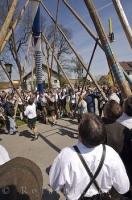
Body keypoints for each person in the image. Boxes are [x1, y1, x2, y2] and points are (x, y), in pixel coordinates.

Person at [49, 113, 129, 200]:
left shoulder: (66, 155)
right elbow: (123, 187)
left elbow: (54, 185)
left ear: (80, 135)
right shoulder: (111, 154)